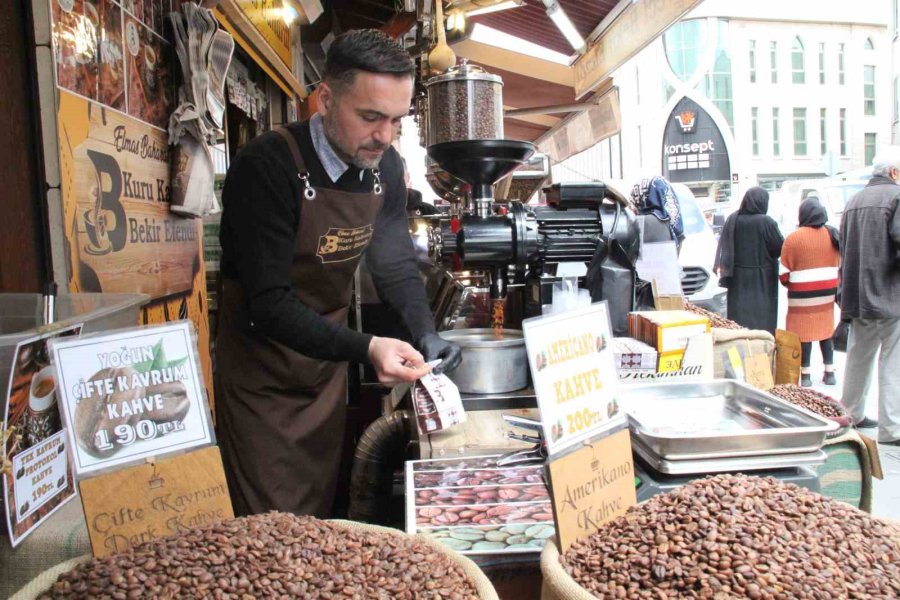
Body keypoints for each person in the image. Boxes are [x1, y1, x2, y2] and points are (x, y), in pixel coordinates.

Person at [215, 30, 462, 517]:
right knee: (271, 528)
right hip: (260, 375)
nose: (385, 137)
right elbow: (268, 303)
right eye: (370, 117)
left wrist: (424, 331)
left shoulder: (386, 168)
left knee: (319, 516)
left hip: (322, 373)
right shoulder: (266, 168)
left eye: (396, 120)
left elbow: (393, 262)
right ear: (325, 98)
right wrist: (367, 348)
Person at [839, 148, 900, 445]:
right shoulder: (896, 198)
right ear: (894, 173)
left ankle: (851, 415)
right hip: (891, 296)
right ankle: (893, 428)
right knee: (893, 361)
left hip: (857, 297)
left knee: (858, 357)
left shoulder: (853, 202)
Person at [779, 198, 841, 387]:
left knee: (802, 331)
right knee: (825, 329)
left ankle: (805, 375)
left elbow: (783, 274)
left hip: (801, 296)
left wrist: (790, 283)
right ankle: (829, 372)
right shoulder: (832, 235)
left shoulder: (793, 238)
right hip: (827, 293)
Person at [714, 187, 784, 333]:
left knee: (739, 323)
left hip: (738, 280)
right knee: (762, 322)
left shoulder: (734, 219)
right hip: (762, 281)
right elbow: (780, 247)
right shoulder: (766, 222)